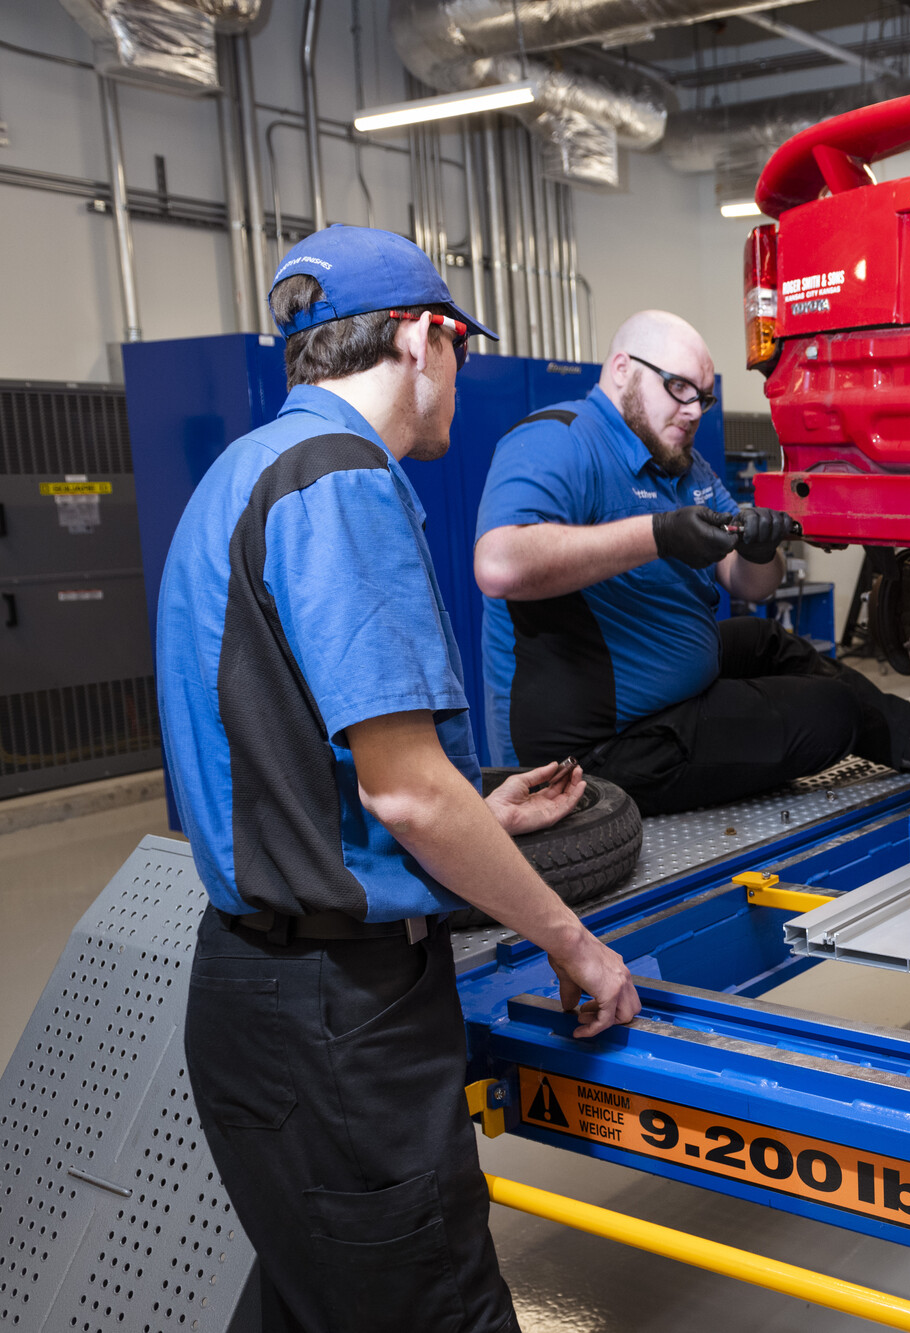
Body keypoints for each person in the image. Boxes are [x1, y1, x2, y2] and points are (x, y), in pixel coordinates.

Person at [156, 224, 640, 1333]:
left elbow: (291, 752)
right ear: (425, 336)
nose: (460, 376)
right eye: (462, 348)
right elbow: (406, 791)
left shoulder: (244, 469)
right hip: (342, 1019)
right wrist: (573, 939)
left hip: (250, 993)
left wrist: (482, 808)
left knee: (311, 1304)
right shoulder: (341, 479)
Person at [471, 309, 910, 815]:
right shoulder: (557, 440)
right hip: (601, 752)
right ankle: (899, 734)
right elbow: (499, 566)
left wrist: (757, 549)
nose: (692, 411)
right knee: (829, 711)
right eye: (678, 388)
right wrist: (658, 534)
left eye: (703, 398)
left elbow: (752, 585)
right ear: (620, 371)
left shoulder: (683, 463)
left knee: (768, 638)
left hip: (672, 688)